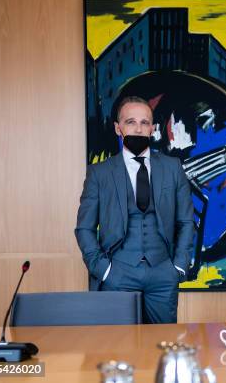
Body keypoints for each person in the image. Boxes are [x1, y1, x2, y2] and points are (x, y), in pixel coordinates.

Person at [75, 96, 194, 323]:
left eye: (144, 123)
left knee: (161, 348)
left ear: (153, 129)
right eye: (130, 122)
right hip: (117, 273)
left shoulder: (172, 168)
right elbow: (84, 228)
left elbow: (186, 221)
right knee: (116, 349)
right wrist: (105, 270)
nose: (138, 129)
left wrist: (178, 266)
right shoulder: (99, 173)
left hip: (162, 273)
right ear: (118, 128)